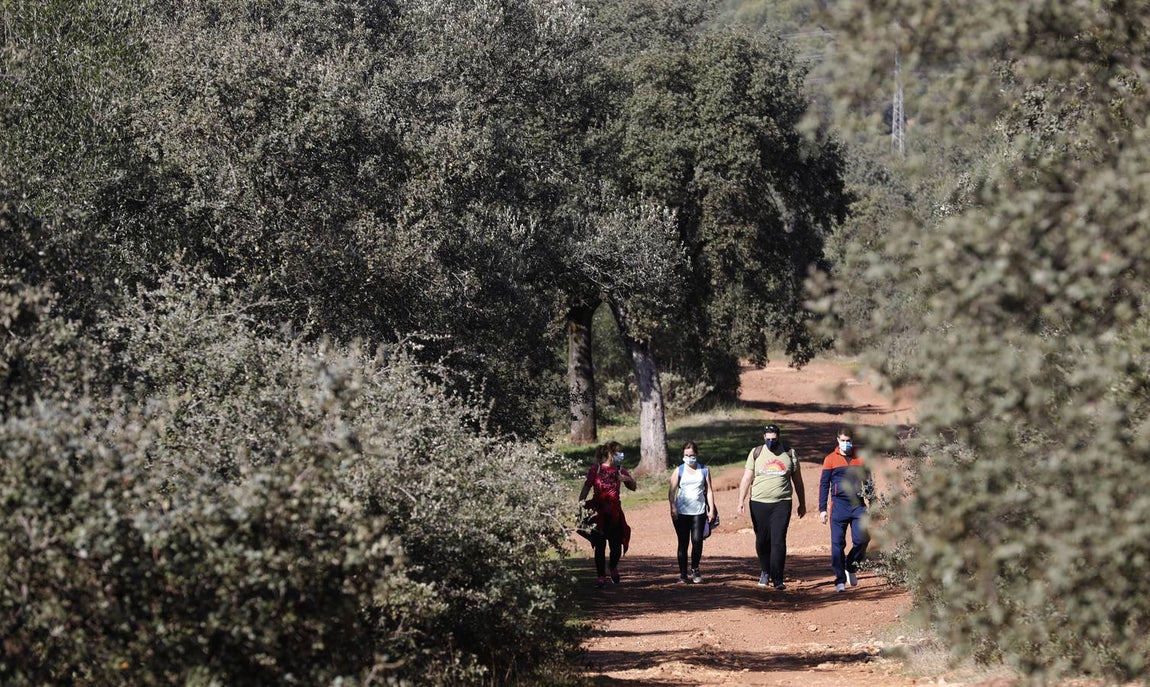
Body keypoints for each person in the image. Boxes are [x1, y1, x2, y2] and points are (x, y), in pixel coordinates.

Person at [736, 423, 806, 589]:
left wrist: (802, 503)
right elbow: (747, 478)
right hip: (759, 503)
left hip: (782, 503)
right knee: (762, 540)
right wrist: (741, 500)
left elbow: (798, 481)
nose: (770, 442)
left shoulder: (789, 453)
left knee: (778, 540)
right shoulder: (756, 453)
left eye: (773, 439)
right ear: (763, 438)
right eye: (768, 439)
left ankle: (778, 578)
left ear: (778, 438)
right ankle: (765, 571)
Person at [818, 427, 873, 593]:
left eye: (848, 441)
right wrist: (822, 509)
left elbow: (869, 483)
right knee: (837, 544)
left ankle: (851, 565)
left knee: (863, 540)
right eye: (843, 440)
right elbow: (824, 484)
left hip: (858, 505)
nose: (846, 444)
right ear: (837, 440)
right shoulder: (830, 460)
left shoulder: (861, 458)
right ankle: (839, 580)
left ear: (852, 441)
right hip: (838, 505)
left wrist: (874, 503)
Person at [578, 440, 636, 588]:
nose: (620, 455)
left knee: (616, 546)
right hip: (599, 512)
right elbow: (586, 488)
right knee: (600, 546)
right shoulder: (595, 469)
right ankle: (601, 577)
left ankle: (613, 566)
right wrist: (580, 506)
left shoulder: (620, 470)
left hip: (615, 513)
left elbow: (633, 487)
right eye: (618, 452)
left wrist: (627, 479)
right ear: (610, 453)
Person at [668, 441, 717, 584]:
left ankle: (695, 568)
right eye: (686, 455)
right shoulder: (679, 470)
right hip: (681, 513)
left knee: (697, 541)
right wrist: (673, 507)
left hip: (699, 511)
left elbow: (709, 491)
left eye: (692, 455)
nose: (689, 457)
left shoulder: (704, 470)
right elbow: (671, 492)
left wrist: (711, 509)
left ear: (697, 454)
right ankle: (683, 574)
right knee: (683, 543)